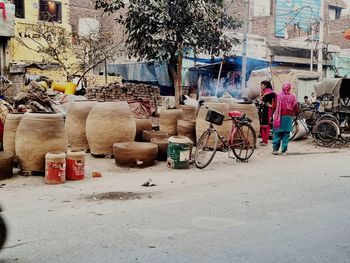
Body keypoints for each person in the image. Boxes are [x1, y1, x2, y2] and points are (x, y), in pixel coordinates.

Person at [272, 83, 299, 155]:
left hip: (278, 117)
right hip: (288, 117)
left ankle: (275, 150)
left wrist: (272, 114)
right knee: (286, 134)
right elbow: (295, 107)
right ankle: (284, 151)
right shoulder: (292, 96)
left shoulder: (278, 96)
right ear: (289, 88)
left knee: (277, 133)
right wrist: (296, 114)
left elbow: (274, 106)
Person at [258, 80, 276, 146]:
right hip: (263, 109)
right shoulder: (263, 92)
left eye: (261, 85)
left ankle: (265, 141)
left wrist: (271, 106)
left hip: (267, 110)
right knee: (262, 124)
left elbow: (275, 101)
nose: (260, 86)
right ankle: (263, 139)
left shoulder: (271, 93)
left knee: (266, 125)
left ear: (265, 85)